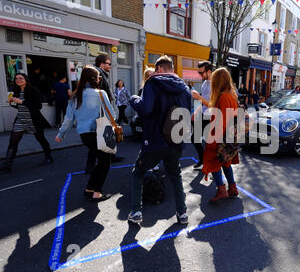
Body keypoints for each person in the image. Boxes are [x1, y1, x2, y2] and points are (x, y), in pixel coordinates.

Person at [128, 55, 192, 225]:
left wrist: (133, 99)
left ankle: (136, 211)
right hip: (175, 139)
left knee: (138, 172)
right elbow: (188, 115)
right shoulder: (184, 88)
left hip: (155, 140)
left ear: (160, 68)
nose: (155, 73)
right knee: (175, 175)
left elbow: (145, 108)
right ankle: (182, 213)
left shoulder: (152, 83)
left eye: (156, 70)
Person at [55, 66, 115, 201]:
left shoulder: (76, 96)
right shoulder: (100, 93)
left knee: (101, 161)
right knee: (105, 162)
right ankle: (97, 193)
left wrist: (60, 135)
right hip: (98, 132)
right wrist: (113, 123)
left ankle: (89, 189)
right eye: (98, 77)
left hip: (84, 135)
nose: (100, 79)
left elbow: (69, 119)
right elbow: (111, 114)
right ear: (95, 79)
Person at [0, 73, 53, 173]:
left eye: (21, 78)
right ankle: (8, 164)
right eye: (16, 78)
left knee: (40, 139)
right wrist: (12, 102)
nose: (18, 80)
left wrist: (21, 102)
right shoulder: (16, 91)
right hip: (21, 119)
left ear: (25, 79)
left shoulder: (33, 90)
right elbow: (19, 106)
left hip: (33, 119)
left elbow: (38, 106)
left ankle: (48, 157)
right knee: (13, 141)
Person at [201, 67, 240, 203]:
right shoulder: (231, 95)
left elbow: (221, 121)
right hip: (229, 136)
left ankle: (221, 189)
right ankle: (233, 188)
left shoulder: (223, 97)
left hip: (220, 137)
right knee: (226, 163)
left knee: (213, 163)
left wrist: (212, 140)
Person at [191, 61, 213, 169]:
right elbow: (203, 102)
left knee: (211, 144)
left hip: (212, 117)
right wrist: (196, 111)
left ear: (209, 71)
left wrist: (199, 97)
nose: (200, 75)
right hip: (203, 114)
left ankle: (215, 167)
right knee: (194, 138)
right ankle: (203, 160)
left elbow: (212, 105)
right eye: (198, 72)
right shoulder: (204, 83)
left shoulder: (215, 84)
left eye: (201, 72)